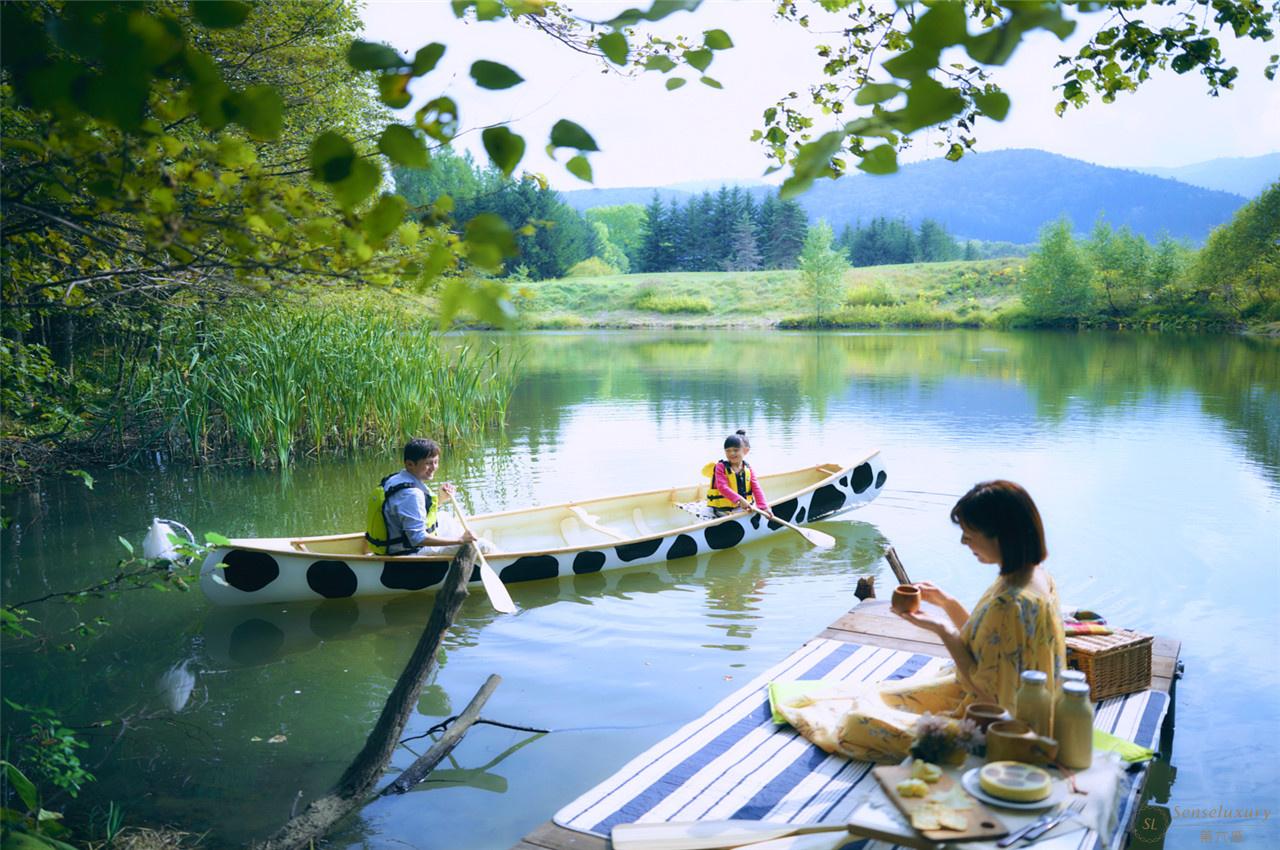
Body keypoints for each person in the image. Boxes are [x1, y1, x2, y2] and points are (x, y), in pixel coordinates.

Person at [775, 480, 1066, 763]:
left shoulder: (1012, 601)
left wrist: (941, 629)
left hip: (999, 725)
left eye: (969, 533)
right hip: (1018, 702)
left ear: (1000, 535)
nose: (964, 541)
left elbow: (987, 694)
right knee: (872, 694)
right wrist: (947, 603)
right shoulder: (1033, 575)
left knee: (858, 722)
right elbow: (988, 642)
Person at [366, 438, 477, 556]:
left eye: (436, 462)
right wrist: (460, 541)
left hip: (397, 543)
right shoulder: (411, 494)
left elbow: (411, 512)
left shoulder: (396, 479)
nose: (434, 467)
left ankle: (467, 538)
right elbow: (417, 539)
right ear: (410, 464)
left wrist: (441, 499)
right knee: (482, 546)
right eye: (428, 463)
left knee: (444, 516)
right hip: (408, 553)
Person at [705, 430, 775, 520]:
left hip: (743, 506)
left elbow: (756, 488)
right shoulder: (720, 467)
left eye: (735, 450)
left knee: (755, 511)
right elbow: (722, 487)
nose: (731, 453)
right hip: (723, 509)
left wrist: (764, 507)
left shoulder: (748, 468)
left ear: (746, 451)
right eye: (728, 451)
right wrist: (740, 500)